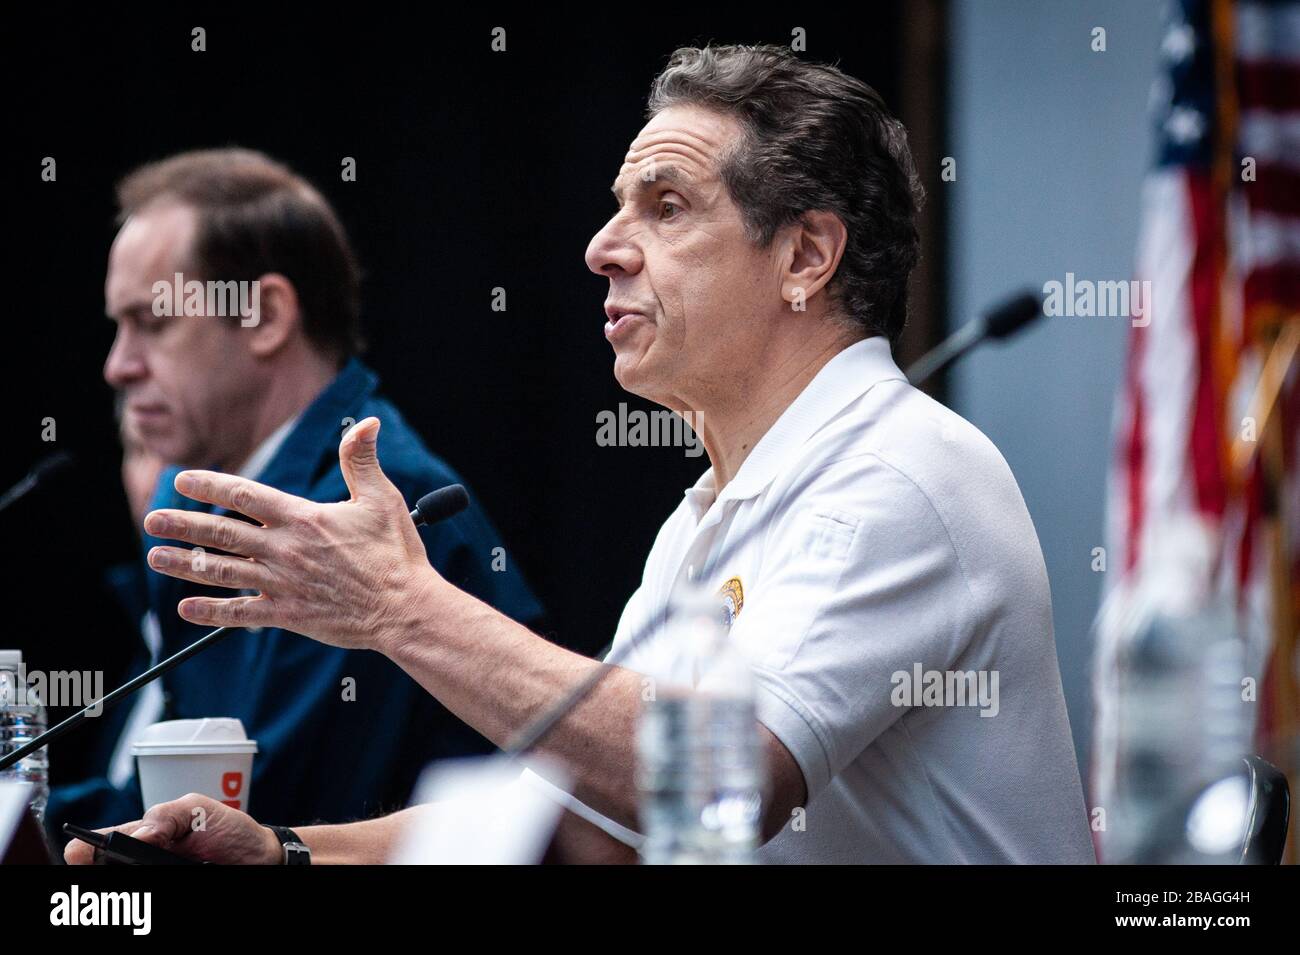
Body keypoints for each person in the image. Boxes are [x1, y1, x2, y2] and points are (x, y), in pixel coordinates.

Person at [68, 46, 1093, 864]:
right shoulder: (703, 518)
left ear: (806, 256)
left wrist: (401, 606)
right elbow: (564, 820)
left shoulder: (898, 472)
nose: (602, 244)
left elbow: (718, 784)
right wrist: (283, 852)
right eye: (615, 204)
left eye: (666, 206)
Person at [50, 148, 542, 839]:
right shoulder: (191, 500)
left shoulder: (377, 504)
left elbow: (262, 812)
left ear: (264, 315)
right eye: (118, 326)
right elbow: (165, 789)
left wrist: (42, 824)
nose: (118, 364)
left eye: (153, 323)